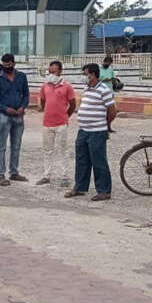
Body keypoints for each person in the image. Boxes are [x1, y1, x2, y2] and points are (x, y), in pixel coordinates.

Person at [65, 63, 116, 201]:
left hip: (97, 131)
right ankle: (80, 187)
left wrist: (105, 124)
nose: (84, 77)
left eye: (85, 74)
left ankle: (104, 190)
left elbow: (112, 111)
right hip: (83, 130)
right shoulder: (86, 88)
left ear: (92, 74)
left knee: (98, 160)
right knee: (81, 159)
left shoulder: (104, 90)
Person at [0, 53, 29, 186]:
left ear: (14, 63)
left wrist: (22, 107)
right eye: (5, 64)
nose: (7, 66)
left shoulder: (21, 77)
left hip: (19, 116)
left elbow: (26, 94)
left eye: (9, 64)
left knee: (16, 146)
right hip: (4, 116)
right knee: (1, 147)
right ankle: (0, 175)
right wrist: (6, 109)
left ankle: (14, 173)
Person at [37, 60, 76, 187]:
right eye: (50, 71)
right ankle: (46, 175)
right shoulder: (45, 86)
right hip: (47, 124)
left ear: (60, 71)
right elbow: (43, 102)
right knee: (47, 150)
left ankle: (64, 176)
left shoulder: (67, 87)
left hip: (61, 124)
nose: (51, 73)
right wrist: (48, 112)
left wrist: (65, 116)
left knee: (63, 150)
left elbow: (72, 104)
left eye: (54, 71)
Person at [100, 56, 117, 133]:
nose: (108, 65)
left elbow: (113, 77)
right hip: (101, 92)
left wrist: (114, 80)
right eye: (107, 63)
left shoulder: (110, 69)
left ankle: (108, 126)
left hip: (110, 92)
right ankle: (102, 127)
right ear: (104, 61)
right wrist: (104, 79)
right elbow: (97, 78)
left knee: (110, 111)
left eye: (110, 64)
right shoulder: (99, 69)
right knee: (102, 111)